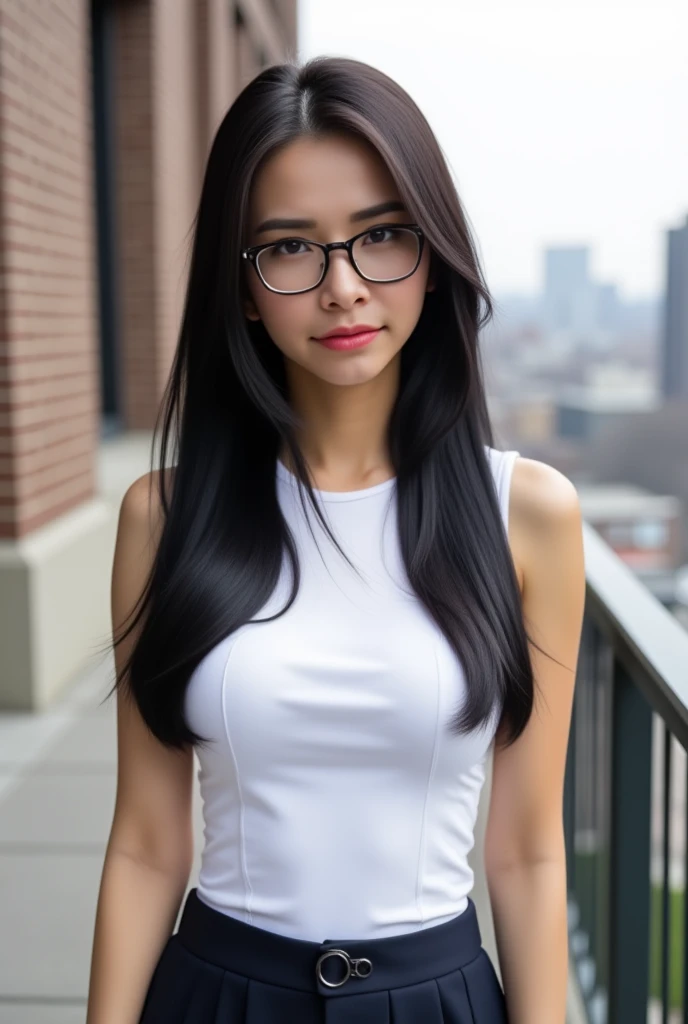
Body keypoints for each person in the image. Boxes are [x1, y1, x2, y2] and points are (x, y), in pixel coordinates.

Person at [85, 55, 586, 1024]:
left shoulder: (527, 514)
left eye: (381, 237)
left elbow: (525, 851)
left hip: (435, 998)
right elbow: (147, 841)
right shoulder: (162, 518)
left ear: (431, 255)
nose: (344, 286)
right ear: (240, 286)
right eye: (290, 248)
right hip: (215, 995)